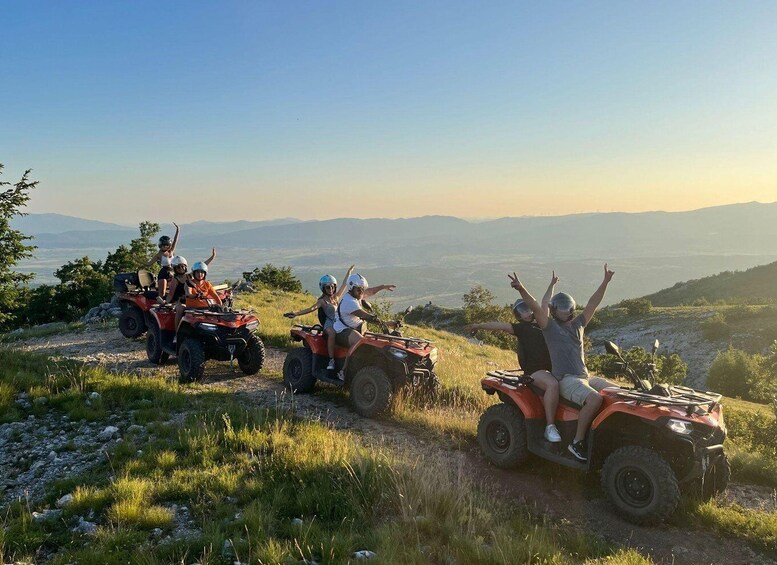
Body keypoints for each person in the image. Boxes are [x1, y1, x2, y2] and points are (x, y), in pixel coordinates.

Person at [509, 265, 616, 462]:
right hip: (566, 379)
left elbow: (593, 302)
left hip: (585, 377)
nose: (565, 311)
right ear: (554, 310)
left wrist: (605, 282)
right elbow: (534, 305)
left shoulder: (579, 324)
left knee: (618, 392)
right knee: (595, 399)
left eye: (568, 308)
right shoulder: (548, 326)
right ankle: (577, 442)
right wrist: (521, 288)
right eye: (561, 308)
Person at [465, 276, 561, 443]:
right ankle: (550, 427)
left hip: (552, 369)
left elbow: (545, 302)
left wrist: (552, 284)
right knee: (553, 385)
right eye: (521, 310)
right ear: (517, 315)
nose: (526, 312)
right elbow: (499, 325)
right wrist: (478, 326)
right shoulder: (520, 329)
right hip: (536, 371)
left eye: (527, 308)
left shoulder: (542, 322)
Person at [283, 265, 355, 371]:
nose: (331, 289)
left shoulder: (336, 297)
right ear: (323, 288)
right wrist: (296, 314)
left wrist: (349, 272)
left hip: (339, 322)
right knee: (332, 333)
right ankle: (331, 360)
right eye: (328, 287)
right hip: (329, 324)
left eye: (332, 286)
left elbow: (344, 285)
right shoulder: (322, 301)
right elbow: (311, 308)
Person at [333, 273, 397, 377]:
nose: (361, 292)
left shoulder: (356, 295)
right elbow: (367, 317)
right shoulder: (350, 302)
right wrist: (386, 323)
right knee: (360, 341)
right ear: (351, 288)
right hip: (342, 330)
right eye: (359, 289)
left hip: (356, 328)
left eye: (362, 289)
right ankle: (343, 371)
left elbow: (370, 291)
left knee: (376, 340)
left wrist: (383, 286)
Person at [146, 222, 179, 303]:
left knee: (174, 290)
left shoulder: (171, 251)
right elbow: (149, 263)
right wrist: (137, 259)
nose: (166, 247)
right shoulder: (159, 254)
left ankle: (171, 302)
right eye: (164, 245)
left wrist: (178, 230)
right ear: (161, 246)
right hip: (163, 272)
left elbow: (175, 241)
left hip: (172, 271)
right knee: (162, 293)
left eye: (167, 245)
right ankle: (157, 304)